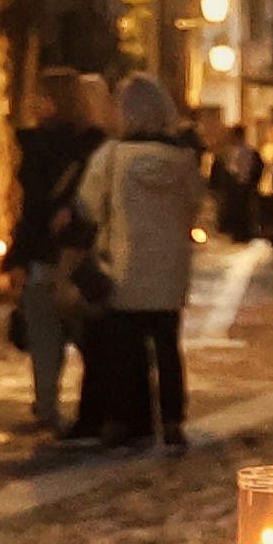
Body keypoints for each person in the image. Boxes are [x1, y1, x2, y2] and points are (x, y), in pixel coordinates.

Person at [67, 78, 207, 453]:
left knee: (124, 351)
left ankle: (123, 421)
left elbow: (88, 206)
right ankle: (174, 422)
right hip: (170, 271)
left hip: (123, 269)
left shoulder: (111, 157)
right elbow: (194, 205)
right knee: (168, 348)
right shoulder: (184, 160)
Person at [4, 70, 100, 441]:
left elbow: (32, 211)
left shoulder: (42, 148)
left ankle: (52, 406)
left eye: (41, 96)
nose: (35, 103)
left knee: (55, 336)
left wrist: (19, 258)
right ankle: (67, 407)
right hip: (70, 256)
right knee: (71, 334)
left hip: (58, 256)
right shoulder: (92, 146)